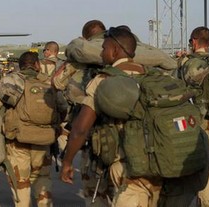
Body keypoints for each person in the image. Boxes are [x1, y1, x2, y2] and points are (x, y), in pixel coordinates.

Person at [60, 26, 162, 206]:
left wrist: (67, 161)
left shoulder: (103, 80)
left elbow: (81, 128)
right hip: (156, 161)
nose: (101, 52)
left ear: (115, 51)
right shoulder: (152, 76)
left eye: (104, 48)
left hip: (123, 163)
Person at [52, 20, 110, 206]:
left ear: (85, 38)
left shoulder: (79, 58)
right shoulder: (119, 56)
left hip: (87, 127)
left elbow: (57, 83)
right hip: (119, 130)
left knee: (92, 187)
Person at [0, 51, 54, 207]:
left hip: (18, 140)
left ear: (20, 65)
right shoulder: (49, 83)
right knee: (42, 178)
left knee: (20, 181)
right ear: (37, 65)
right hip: (44, 140)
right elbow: (63, 110)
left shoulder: (12, 80)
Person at [176, 26, 209, 207]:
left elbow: (177, 92)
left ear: (194, 41)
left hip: (202, 126)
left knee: (206, 172)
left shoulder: (187, 64)